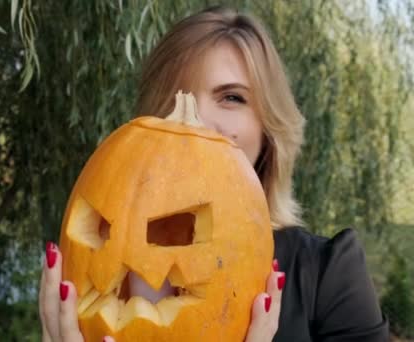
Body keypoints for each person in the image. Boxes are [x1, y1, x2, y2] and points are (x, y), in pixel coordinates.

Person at [39, 6, 389, 342]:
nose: (199, 121)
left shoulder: (330, 273)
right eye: (177, 96)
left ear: (269, 128)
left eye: (232, 98)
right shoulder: (98, 266)